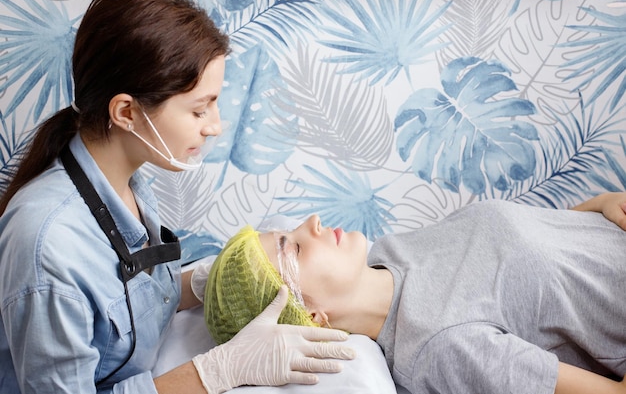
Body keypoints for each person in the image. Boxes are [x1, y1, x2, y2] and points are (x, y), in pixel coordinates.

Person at [0, 0, 354, 394]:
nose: (215, 126)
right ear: (127, 112)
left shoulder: (126, 183)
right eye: (199, 108)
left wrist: (214, 283)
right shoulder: (47, 247)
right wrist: (217, 371)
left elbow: (126, 300)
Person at [204, 192, 626, 394]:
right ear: (311, 317)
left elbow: (533, 268)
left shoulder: (390, 252)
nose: (311, 221)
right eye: (292, 246)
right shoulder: (439, 346)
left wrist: (599, 205)